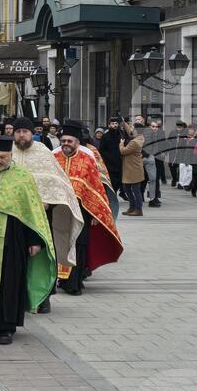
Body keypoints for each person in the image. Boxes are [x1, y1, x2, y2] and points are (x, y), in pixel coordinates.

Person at [0, 135, 55, 345]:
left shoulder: (23, 177)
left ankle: (6, 327)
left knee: (9, 282)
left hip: (13, 239)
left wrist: (34, 240)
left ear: (10, 155)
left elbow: (32, 212)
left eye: (3, 157)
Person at [9, 117, 82, 313]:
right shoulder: (8, 151)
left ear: (32, 133)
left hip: (41, 214)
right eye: (18, 132)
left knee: (43, 254)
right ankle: (19, 296)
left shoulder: (43, 152)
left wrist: (49, 202)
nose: (21, 135)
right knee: (16, 255)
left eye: (25, 132)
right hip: (14, 213)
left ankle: (44, 297)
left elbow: (58, 182)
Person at [54, 125, 123, 295]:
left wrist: (97, 213)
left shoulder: (87, 158)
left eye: (69, 141)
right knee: (60, 244)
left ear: (77, 142)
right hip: (59, 210)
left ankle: (74, 283)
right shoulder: (53, 157)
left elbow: (96, 187)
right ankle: (61, 279)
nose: (66, 144)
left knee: (80, 245)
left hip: (82, 210)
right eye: (63, 141)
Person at [119, 120, 146, 216]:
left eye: (134, 129)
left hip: (134, 169)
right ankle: (132, 207)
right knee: (127, 188)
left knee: (135, 190)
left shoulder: (135, 142)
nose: (132, 130)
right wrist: (124, 123)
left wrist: (121, 144)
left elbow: (123, 151)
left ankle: (138, 209)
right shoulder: (139, 137)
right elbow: (130, 132)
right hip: (131, 168)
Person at [99, 117, 124, 198]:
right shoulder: (105, 136)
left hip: (119, 163)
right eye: (113, 124)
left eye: (116, 123)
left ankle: (113, 196)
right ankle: (110, 198)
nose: (115, 125)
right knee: (111, 182)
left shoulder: (121, 135)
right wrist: (109, 158)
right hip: (109, 164)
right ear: (109, 125)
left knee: (119, 182)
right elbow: (102, 150)